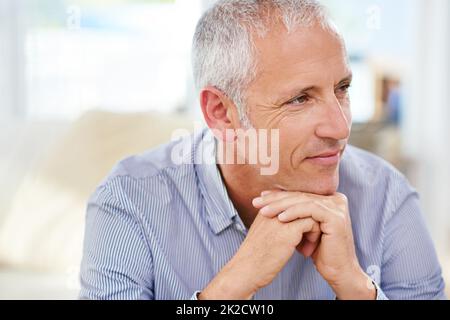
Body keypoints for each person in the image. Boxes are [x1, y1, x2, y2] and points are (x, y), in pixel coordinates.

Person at [80, 0, 446, 300]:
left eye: (342, 89)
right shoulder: (130, 199)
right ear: (221, 113)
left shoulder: (387, 195)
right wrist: (234, 284)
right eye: (300, 99)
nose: (340, 127)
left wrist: (355, 287)